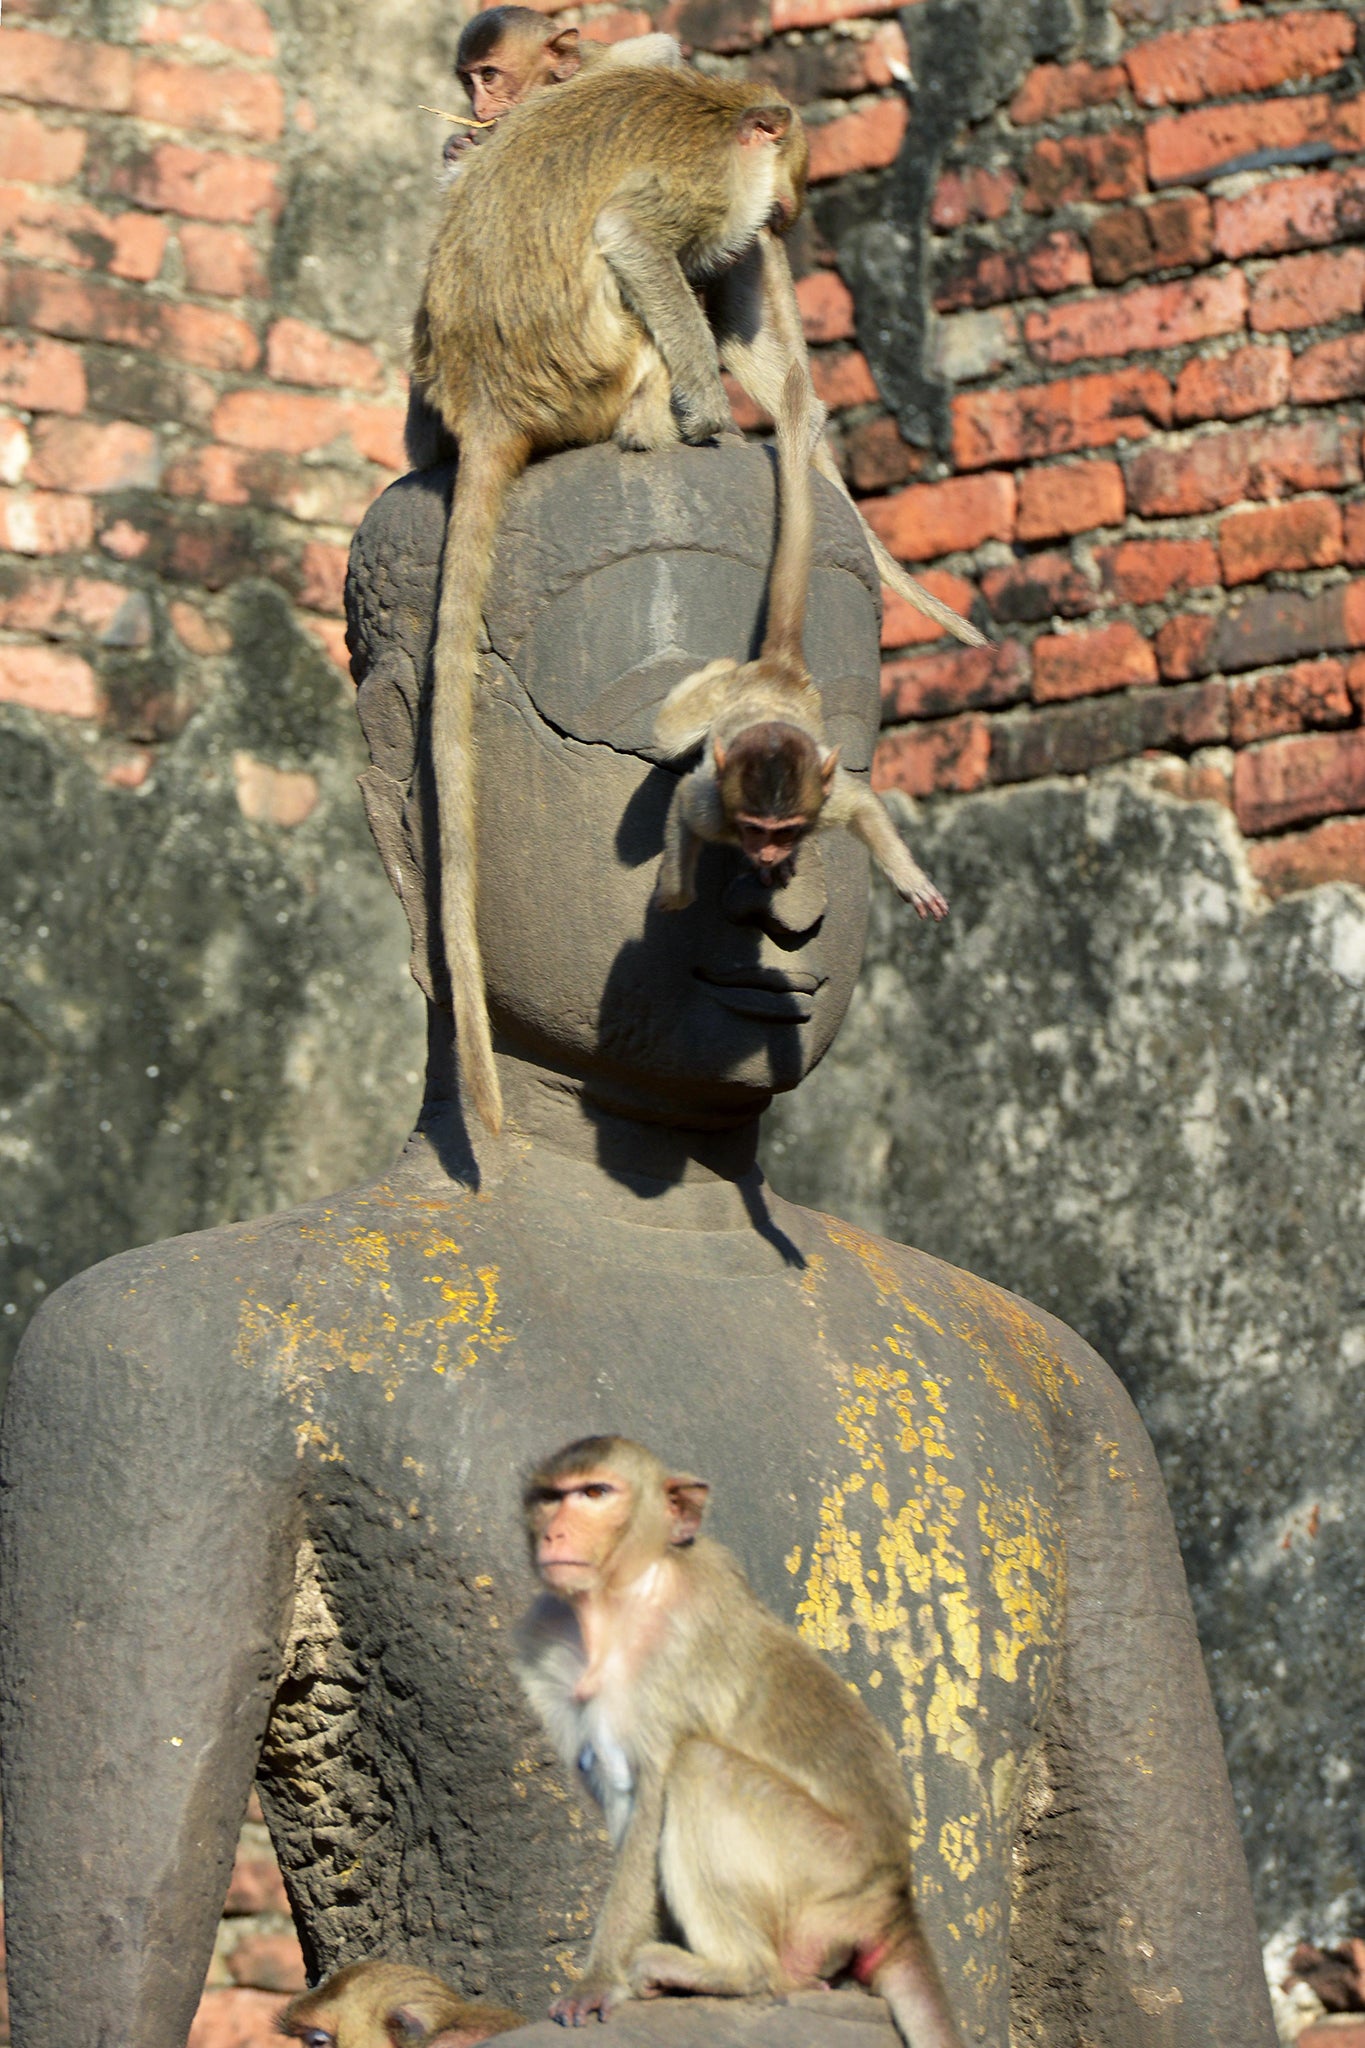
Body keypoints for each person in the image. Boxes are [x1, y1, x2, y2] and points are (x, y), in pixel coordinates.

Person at [0, 441, 1275, 2048]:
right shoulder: (214, 1353)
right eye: (686, 766)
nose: (781, 874)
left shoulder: (1031, 1396)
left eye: (837, 772)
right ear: (414, 789)